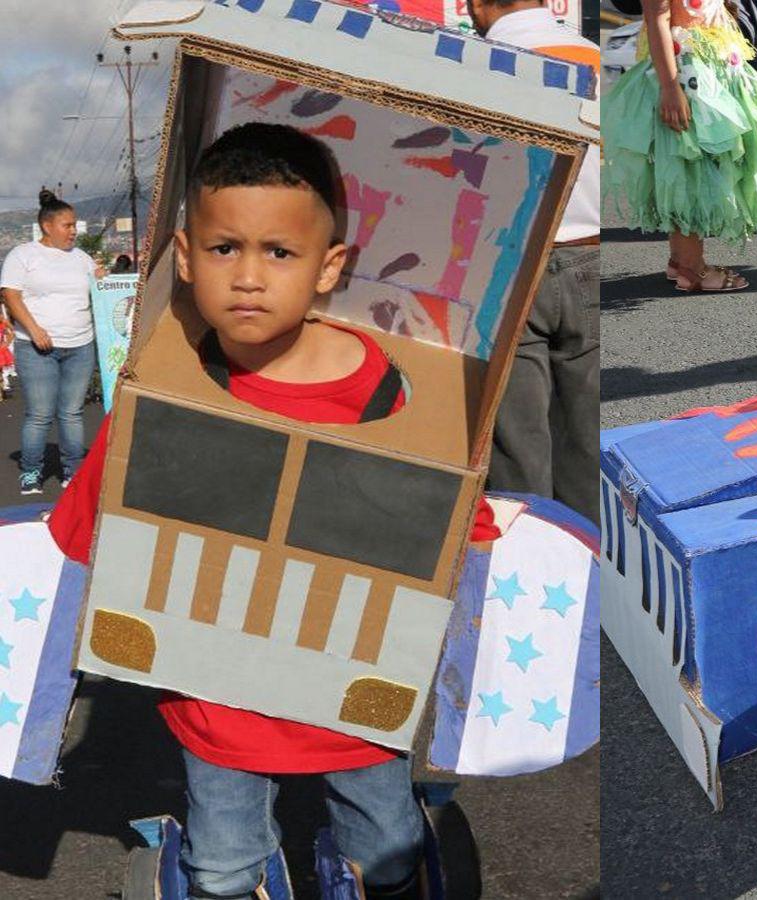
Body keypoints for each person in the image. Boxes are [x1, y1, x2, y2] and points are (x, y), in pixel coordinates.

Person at [47, 123, 505, 900]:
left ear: (330, 267)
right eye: (226, 249)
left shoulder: (396, 394)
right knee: (222, 872)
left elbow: (465, 534)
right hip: (216, 707)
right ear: (185, 258)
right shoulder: (160, 399)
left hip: (356, 709)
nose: (250, 277)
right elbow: (85, 535)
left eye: (280, 253)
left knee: (390, 857)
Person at [467, 0, 601, 525]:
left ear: (478, 5)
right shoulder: (590, 55)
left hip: (513, 260)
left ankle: (527, 561)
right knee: (586, 438)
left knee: (518, 441)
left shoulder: (480, 60)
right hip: (589, 254)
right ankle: (590, 563)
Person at [602, 0, 757, 292]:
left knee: (692, 165)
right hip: (689, 77)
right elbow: (658, 17)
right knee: (689, 166)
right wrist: (671, 89)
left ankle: (680, 260)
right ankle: (692, 270)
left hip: (714, 70)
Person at [0, 190, 101, 494]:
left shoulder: (82, 258)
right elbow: (11, 295)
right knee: (40, 414)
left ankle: (74, 470)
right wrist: (34, 329)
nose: (74, 231)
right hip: (36, 348)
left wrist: (101, 277)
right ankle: (31, 471)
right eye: (67, 225)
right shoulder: (23, 255)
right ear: (47, 225)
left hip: (80, 346)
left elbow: (96, 292)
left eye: (74, 225)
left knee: (71, 412)